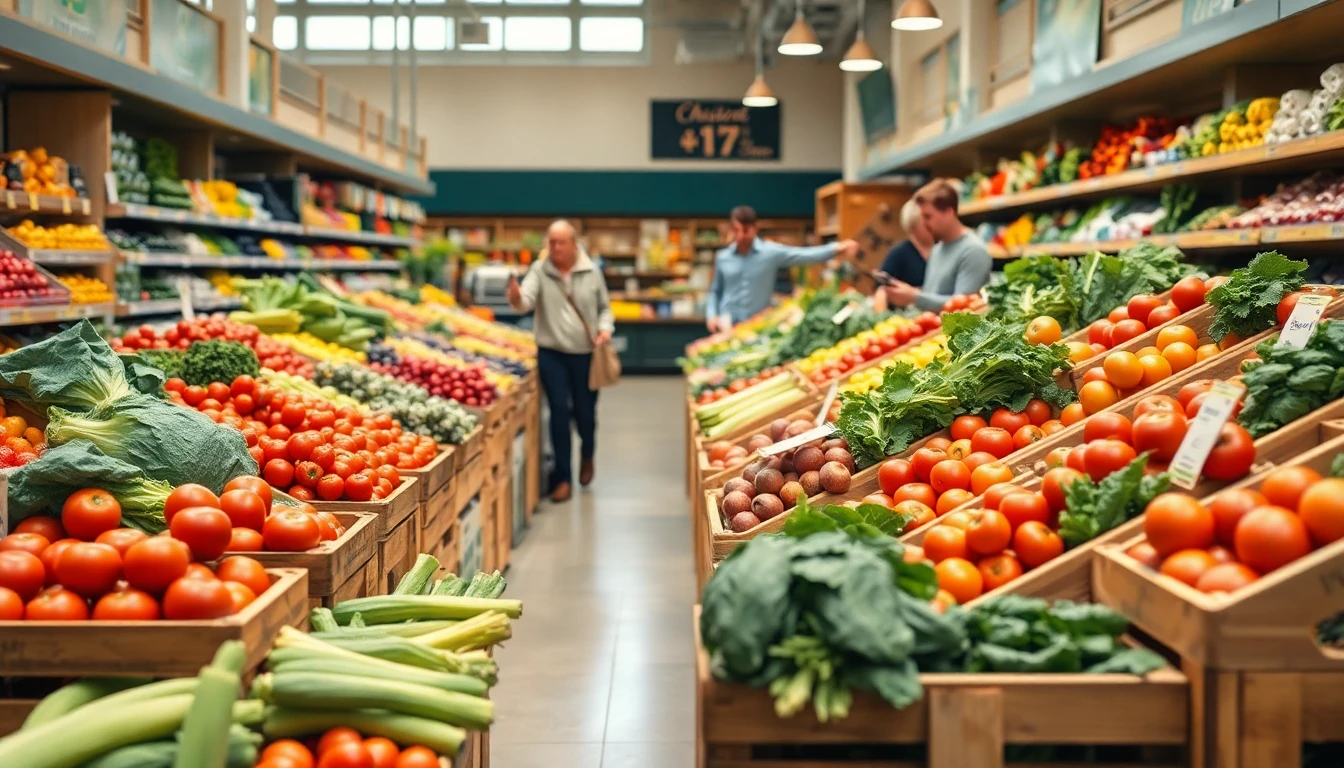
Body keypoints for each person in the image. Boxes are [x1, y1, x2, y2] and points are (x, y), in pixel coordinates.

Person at [506, 220, 613, 503]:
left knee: (585, 414)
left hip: (585, 353)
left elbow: (605, 308)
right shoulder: (541, 270)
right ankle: (563, 477)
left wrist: (605, 329)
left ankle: (588, 454)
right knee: (558, 413)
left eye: (560, 242)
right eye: (551, 242)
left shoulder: (591, 271)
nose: (554, 248)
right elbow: (525, 300)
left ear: (574, 244)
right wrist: (516, 298)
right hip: (551, 353)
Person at [705, 206, 860, 333]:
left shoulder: (770, 252)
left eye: (745, 231)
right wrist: (712, 315)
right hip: (726, 325)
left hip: (758, 327)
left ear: (755, 229)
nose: (740, 236)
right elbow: (715, 291)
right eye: (736, 230)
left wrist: (836, 248)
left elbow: (802, 255)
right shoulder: (723, 257)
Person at [881, 179, 992, 312]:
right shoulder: (938, 249)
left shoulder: (973, 251)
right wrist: (909, 293)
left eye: (928, 216)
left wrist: (915, 297)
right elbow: (934, 292)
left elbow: (963, 306)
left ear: (948, 213)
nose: (924, 224)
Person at [875, 199, 934, 293]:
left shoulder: (942, 249)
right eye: (925, 219)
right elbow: (881, 288)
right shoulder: (899, 253)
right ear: (912, 225)